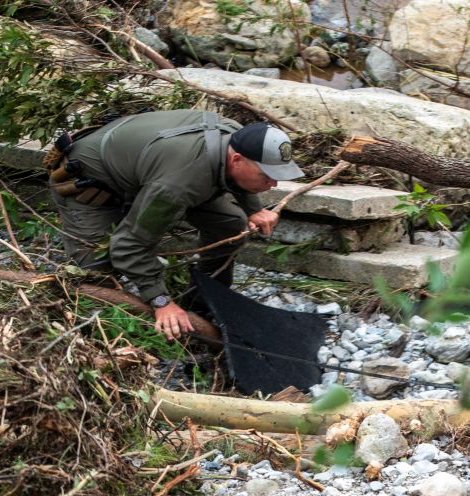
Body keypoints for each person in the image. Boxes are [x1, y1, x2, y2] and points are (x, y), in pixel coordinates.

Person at [46, 109, 305, 340]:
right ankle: (101, 337)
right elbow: (128, 246)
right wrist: (160, 301)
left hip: (152, 172)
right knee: (96, 275)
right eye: (267, 176)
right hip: (89, 183)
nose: (274, 184)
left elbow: (237, 180)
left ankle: (204, 299)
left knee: (230, 225)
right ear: (236, 160)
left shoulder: (236, 136)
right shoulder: (178, 184)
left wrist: (254, 209)